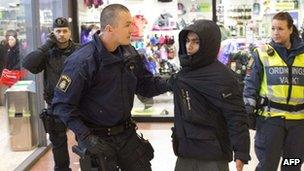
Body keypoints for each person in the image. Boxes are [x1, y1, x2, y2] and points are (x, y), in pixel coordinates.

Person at [52, 4, 169, 171]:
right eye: (128, 24)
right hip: (97, 139)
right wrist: (86, 137)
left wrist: (170, 82)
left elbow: (145, 86)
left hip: (127, 135)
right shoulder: (82, 61)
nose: (133, 28)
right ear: (109, 29)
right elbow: (62, 105)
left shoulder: (129, 54)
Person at [169, 20, 250, 171]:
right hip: (185, 153)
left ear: (208, 44)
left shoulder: (223, 77)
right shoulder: (183, 74)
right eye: (187, 40)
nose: (189, 46)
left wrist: (241, 151)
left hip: (212, 156)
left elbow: (236, 116)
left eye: (196, 41)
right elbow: (158, 85)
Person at [244, 12, 304, 171]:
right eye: (273, 28)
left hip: (298, 123)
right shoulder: (262, 53)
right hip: (270, 121)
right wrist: (248, 110)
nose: (276, 32)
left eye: (280, 28)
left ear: (291, 29)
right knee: (267, 165)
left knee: (292, 165)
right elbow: (251, 85)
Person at [22, 17, 79, 171]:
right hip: (55, 105)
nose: (61, 34)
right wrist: (47, 45)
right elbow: (27, 64)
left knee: (85, 141)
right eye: (58, 31)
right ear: (53, 33)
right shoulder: (47, 53)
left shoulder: (79, 50)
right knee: (58, 144)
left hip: (78, 105)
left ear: (70, 32)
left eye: (65, 31)